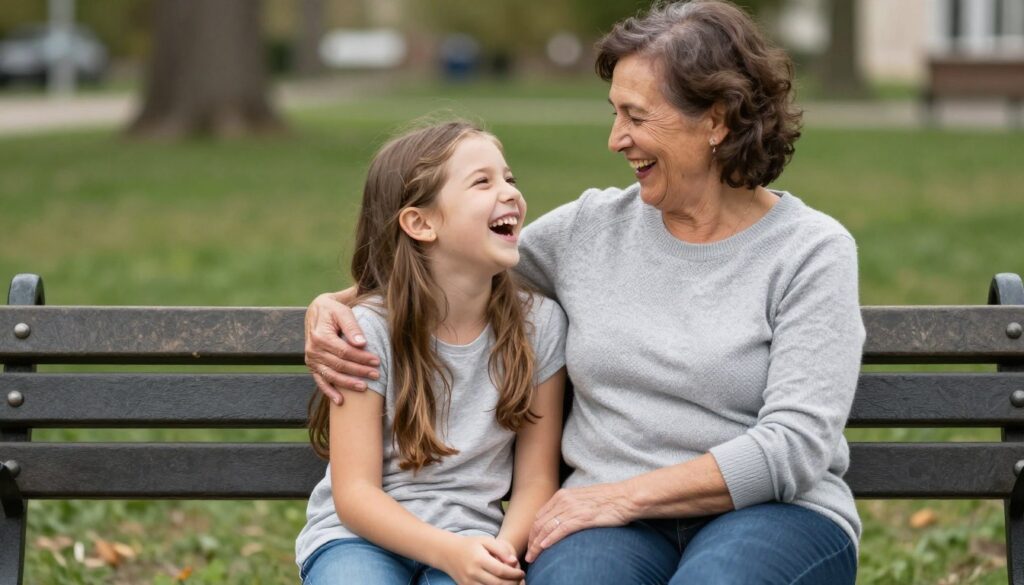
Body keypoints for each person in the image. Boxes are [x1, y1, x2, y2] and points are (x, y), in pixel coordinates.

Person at [303, 1, 865, 583]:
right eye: (614, 113)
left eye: (636, 116)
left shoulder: (809, 251)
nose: (615, 139)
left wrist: (624, 497)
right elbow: (449, 265)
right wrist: (336, 305)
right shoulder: (589, 230)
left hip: (767, 515)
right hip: (605, 524)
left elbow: (795, 445)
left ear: (716, 120)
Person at [295, 120, 568, 585]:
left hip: (475, 540)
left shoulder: (539, 325)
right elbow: (356, 494)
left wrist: (501, 551)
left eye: (509, 178)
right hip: (357, 540)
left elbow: (536, 481)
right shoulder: (368, 330)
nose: (509, 192)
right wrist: (447, 551)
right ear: (420, 223)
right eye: (482, 181)